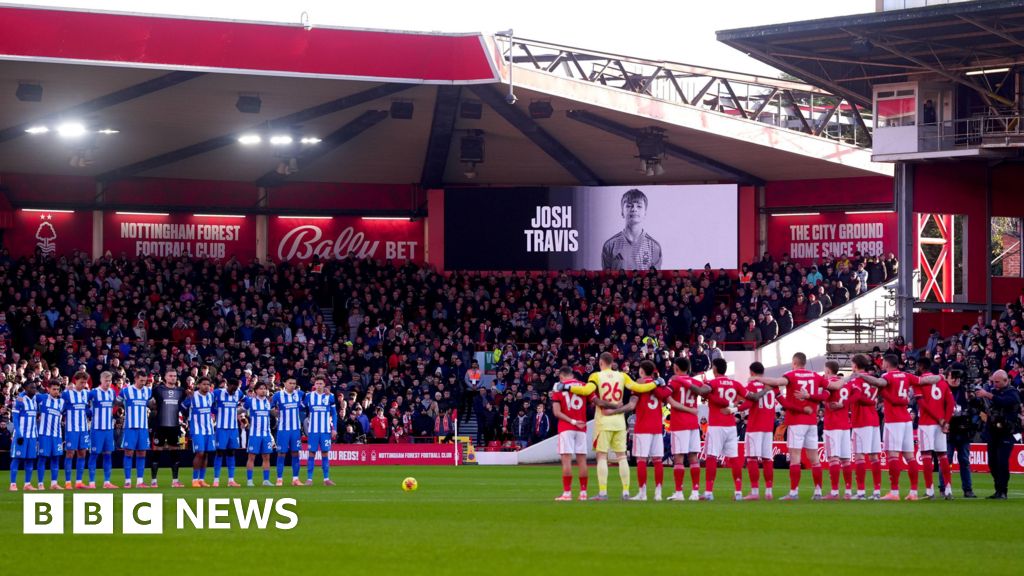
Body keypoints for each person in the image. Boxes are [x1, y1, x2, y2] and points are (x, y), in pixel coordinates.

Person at [564, 351, 656, 500]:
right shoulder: (622, 376)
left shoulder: (596, 376)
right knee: (622, 456)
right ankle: (625, 492)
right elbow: (638, 388)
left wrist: (568, 388)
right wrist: (655, 383)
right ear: (612, 363)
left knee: (601, 456)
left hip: (604, 420)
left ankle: (603, 492)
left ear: (601, 362)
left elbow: (586, 390)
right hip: (619, 421)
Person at [857, 354, 940, 500]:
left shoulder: (887, 376)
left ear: (887, 364)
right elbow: (925, 380)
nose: (882, 364)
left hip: (893, 420)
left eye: (883, 362)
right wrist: (940, 377)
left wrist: (860, 375)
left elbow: (878, 382)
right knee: (910, 457)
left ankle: (894, 492)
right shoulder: (906, 375)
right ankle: (913, 492)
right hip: (906, 420)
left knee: (893, 456)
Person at [750, 352, 830, 500]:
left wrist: (758, 379)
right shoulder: (815, 376)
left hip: (796, 421)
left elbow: (778, 381)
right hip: (811, 422)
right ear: (804, 363)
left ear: (794, 363)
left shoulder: (791, 375)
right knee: (814, 458)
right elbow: (829, 389)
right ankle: (818, 491)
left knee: (795, 457)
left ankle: (793, 492)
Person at [614, 360, 670, 501]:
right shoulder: (659, 385)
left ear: (641, 371)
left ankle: (642, 493)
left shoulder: (639, 385)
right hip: (657, 427)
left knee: (641, 460)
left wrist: (615, 410)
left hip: (643, 427)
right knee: (658, 460)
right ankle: (658, 493)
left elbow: (632, 405)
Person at [691, 358, 746, 501]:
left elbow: (703, 391)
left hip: (716, 426)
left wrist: (696, 387)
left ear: (714, 369)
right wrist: (734, 408)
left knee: (711, 457)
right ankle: (738, 492)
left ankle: (709, 492)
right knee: (734, 458)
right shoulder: (735, 384)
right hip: (731, 426)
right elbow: (748, 399)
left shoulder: (713, 383)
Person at [974, 369, 1022, 499]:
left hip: (1006, 432)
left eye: (997, 382)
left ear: (1006, 381)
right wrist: (976, 397)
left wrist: (987, 395)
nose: (994, 384)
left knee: (1002, 462)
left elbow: (1003, 401)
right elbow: (984, 406)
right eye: (993, 382)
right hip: (993, 432)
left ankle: (1003, 490)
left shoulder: (1013, 393)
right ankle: (998, 489)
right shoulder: (994, 392)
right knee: (992, 463)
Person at [913, 358, 954, 500]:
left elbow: (922, 404)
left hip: (926, 423)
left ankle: (930, 491)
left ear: (920, 366)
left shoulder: (919, 382)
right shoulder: (942, 382)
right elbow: (951, 403)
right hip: (940, 424)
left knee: (926, 456)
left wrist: (939, 419)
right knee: (943, 456)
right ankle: (948, 490)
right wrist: (945, 421)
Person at [738, 362, 778, 500]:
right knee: (767, 459)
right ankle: (769, 491)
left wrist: (734, 409)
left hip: (755, 426)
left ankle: (754, 492)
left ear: (751, 372)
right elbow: (782, 401)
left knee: (752, 458)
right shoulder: (772, 385)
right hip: (768, 427)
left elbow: (748, 403)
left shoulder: (752, 385)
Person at [550, 367, 591, 501]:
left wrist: (572, 421)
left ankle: (567, 493)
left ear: (562, 377)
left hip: (566, 427)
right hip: (581, 426)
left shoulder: (558, 388)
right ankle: (583, 493)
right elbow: (593, 403)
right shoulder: (584, 386)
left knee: (566, 460)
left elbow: (556, 412)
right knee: (582, 460)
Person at [665, 357, 702, 501]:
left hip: (679, 423)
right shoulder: (695, 382)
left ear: (676, 368)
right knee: (693, 457)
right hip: (693, 423)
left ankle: (679, 492)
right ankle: (695, 492)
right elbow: (704, 391)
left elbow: (668, 398)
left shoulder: (674, 381)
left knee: (679, 458)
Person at [601, 188, 663, 270]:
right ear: (622, 212)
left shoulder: (654, 247)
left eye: (639, 206)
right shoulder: (610, 245)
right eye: (629, 206)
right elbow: (606, 276)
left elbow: (655, 277)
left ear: (645, 212)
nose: (634, 209)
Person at [939, 369, 977, 498]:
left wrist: (971, 398)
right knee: (946, 460)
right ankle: (943, 488)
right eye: (953, 377)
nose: (956, 379)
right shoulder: (943, 390)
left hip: (963, 430)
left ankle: (968, 489)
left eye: (958, 377)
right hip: (948, 430)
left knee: (965, 461)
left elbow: (973, 407)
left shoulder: (965, 390)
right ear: (947, 377)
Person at [821, 360, 854, 500]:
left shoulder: (829, 384)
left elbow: (825, 400)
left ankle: (834, 492)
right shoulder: (846, 384)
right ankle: (848, 492)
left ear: (828, 371)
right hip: (845, 425)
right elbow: (854, 398)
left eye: (824, 371)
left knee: (833, 459)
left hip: (832, 425)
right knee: (846, 460)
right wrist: (844, 404)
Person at [149, 368, 185, 488]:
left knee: (175, 453)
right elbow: (150, 402)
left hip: (174, 426)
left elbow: (184, 406)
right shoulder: (157, 389)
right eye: (170, 376)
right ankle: (154, 481)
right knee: (157, 453)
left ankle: (175, 481)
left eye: (174, 376)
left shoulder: (181, 391)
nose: (173, 378)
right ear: (165, 377)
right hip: (160, 425)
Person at [120, 371, 153, 488]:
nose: (143, 383)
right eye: (141, 380)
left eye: (145, 381)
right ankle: (127, 481)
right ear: (136, 379)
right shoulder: (126, 391)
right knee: (128, 452)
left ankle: (140, 481)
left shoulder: (148, 391)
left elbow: (151, 404)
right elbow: (117, 402)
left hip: (143, 427)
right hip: (130, 426)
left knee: (142, 453)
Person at [304, 376, 338, 486]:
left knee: (325, 453)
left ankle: (326, 479)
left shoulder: (330, 396)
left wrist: (334, 429)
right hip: (313, 430)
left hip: (325, 431)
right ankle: (309, 479)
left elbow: (334, 414)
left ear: (324, 385)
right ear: (314, 385)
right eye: (317, 383)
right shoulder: (309, 396)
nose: (319, 385)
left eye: (321, 383)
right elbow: (301, 407)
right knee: (311, 453)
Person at [182, 377, 215, 487]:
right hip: (197, 429)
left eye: (208, 384)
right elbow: (182, 407)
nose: (206, 386)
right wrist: (187, 420)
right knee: (200, 453)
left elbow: (213, 409)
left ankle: (201, 479)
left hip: (209, 430)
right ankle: (194, 479)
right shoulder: (193, 396)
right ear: (199, 385)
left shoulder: (211, 396)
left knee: (206, 454)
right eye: (204, 384)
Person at [272, 378, 305, 486]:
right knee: (281, 453)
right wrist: (276, 413)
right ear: (285, 384)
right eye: (290, 383)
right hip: (283, 430)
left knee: (295, 453)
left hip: (295, 430)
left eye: (294, 383)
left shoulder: (299, 394)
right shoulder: (278, 395)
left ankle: (295, 479)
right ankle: (279, 479)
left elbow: (307, 400)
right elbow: (270, 407)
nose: (292, 385)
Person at [88, 371, 118, 489]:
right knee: (94, 454)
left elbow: (114, 405)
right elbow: (83, 404)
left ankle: (107, 482)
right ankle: (91, 483)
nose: (108, 383)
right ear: (101, 380)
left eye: (109, 381)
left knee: (108, 454)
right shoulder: (94, 392)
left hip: (109, 430)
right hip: (97, 430)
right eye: (106, 380)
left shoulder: (112, 392)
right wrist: (89, 413)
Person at [62, 371, 91, 490]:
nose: (83, 385)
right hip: (71, 429)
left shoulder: (86, 393)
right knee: (70, 453)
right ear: (75, 381)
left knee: (82, 453)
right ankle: (68, 482)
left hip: (83, 429)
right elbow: (58, 404)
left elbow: (88, 409)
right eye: (81, 382)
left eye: (85, 382)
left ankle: (79, 482)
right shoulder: (67, 394)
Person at [212, 379, 243, 487]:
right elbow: (208, 402)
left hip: (233, 429)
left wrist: (242, 410)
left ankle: (231, 480)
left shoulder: (238, 393)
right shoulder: (218, 392)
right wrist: (215, 411)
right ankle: (216, 480)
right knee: (219, 452)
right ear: (227, 385)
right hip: (221, 428)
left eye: (236, 389)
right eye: (232, 389)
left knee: (231, 452)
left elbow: (247, 401)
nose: (234, 391)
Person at [9, 381, 39, 491]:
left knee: (30, 459)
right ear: (26, 388)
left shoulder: (35, 399)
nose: (34, 389)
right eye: (32, 387)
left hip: (32, 435)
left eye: (35, 387)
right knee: (17, 458)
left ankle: (27, 484)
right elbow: (15, 418)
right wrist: (19, 434)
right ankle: (13, 484)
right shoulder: (19, 400)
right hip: (21, 435)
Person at [243, 381, 274, 487]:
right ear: (256, 390)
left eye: (264, 388)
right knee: (251, 457)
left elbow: (272, 413)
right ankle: (249, 480)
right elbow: (242, 410)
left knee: (266, 457)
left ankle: (266, 480)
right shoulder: (250, 401)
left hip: (266, 434)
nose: (263, 390)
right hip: (254, 434)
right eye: (261, 388)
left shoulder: (268, 402)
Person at [37, 381, 66, 490]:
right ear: (48, 389)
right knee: (42, 458)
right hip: (44, 435)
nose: (56, 391)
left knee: (56, 458)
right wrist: (21, 396)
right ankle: (40, 484)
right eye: (54, 389)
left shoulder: (61, 402)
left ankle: (54, 483)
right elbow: (28, 393)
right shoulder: (43, 398)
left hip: (57, 436)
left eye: (58, 389)